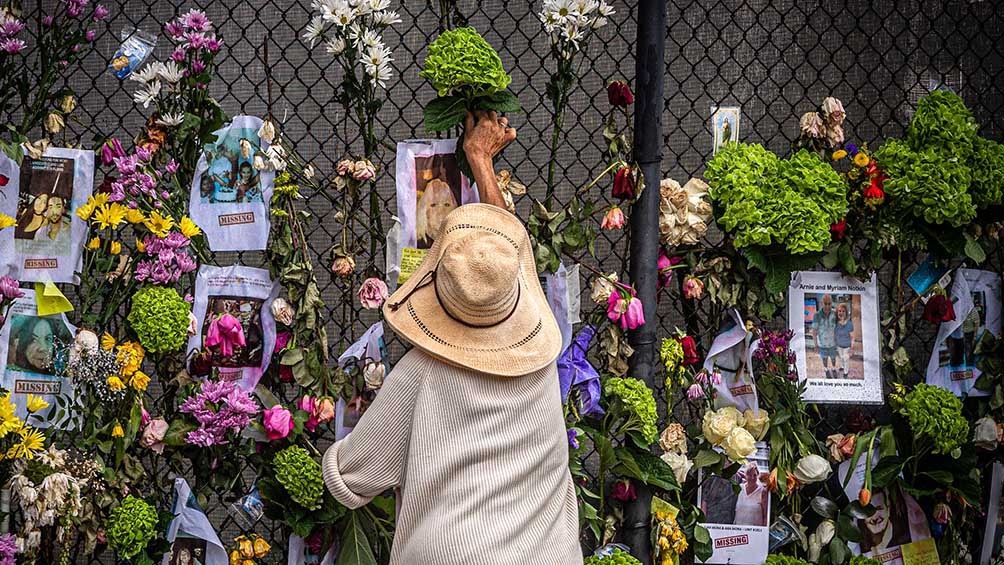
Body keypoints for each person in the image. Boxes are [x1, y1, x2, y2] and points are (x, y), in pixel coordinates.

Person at [321, 110, 582, 564]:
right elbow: (496, 259)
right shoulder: (538, 365)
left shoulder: (420, 374)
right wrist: (479, 159)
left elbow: (353, 478)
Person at [858, 489, 912, 554]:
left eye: (879, 509)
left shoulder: (905, 536)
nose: (874, 518)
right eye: (868, 511)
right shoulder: (860, 543)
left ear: (888, 510)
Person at [415, 177, 457, 248]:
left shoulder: (458, 241)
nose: (440, 211)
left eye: (447, 204)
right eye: (433, 205)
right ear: (424, 211)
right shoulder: (417, 244)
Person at [811, 294, 838, 379]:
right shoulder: (816, 315)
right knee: (824, 358)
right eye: (825, 303)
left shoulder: (835, 314)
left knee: (833, 358)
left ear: (831, 303)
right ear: (822, 303)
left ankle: (833, 368)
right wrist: (815, 345)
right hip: (822, 344)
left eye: (829, 303)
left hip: (833, 343)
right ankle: (826, 370)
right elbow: (814, 331)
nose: (827, 306)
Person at [733, 462, 768, 526]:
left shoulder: (763, 491)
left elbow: (766, 515)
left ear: (758, 475)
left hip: (755, 530)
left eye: (754, 475)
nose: (752, 478)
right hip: (739, 528)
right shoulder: (740, 488)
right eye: (749, 475)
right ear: (745, 475)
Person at [835, 302, 854, 379]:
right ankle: (842, 366)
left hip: (847, 346)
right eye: (839, 311)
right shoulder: (836, 323)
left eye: (843, 311)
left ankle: (846, 372)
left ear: (846, 312)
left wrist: (852, 347)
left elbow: (852, 337)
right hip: (839, 344)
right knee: (841, 357)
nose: (841, 313)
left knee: (845, 358)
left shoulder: (849, 324)